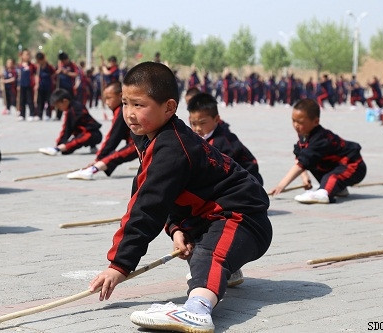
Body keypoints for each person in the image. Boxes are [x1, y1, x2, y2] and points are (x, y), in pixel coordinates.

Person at [88, 62, 272, 333]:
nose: (129, 113)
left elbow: (148, 208)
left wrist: (119, 265)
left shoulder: (172, 147)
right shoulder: (152, 137)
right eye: (126, 103)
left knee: (206, 256)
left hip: (243, 218)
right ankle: (227, 271)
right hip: (210, 217)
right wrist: (175, 229)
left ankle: (198, 310)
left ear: (169, 107)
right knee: (197, 248)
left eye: (139, 105)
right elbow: (145, 192)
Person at [269, 98, 366, 204]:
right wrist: (305, 177)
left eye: (300, 122)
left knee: (331, 176)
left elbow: (301, 164)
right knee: (313, 163)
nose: (296, 125)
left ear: (315, 121)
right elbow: (301, 157)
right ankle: (338, 188)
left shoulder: (320, 138)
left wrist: (281, 185)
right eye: (293, 120)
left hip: (353, 165)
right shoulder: (304, 134)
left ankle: (323, 193)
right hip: (335, 165)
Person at [188, 92, 264, 185]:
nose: (197, 128)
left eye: (202, 123)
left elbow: (220, 173)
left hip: (248, 184)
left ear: (216, 119)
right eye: (193, 124)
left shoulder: (223, 142)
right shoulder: (198, 137)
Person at [67, 82, 138, 180]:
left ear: (121, 96)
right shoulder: (121, 109)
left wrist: (99, 158)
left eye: (109, 98)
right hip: (136, 142)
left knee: (119, 154)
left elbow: (113, 137)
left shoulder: (122, 110)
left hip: (139, 143)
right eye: (105, 99)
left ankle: (93, 169)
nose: (107, 102)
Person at [39, 89, 102, 156]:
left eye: (58, 106)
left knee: (75, 142)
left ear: (65, 101)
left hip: (92, 134)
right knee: (66, 151)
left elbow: (67, 129)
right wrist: (61, 143)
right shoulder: (73, 107)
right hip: (84, 133)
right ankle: (92, 146)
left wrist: (59, 145)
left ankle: (56, 149)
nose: (58, 108)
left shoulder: (73, 110)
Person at [17, 49, 37, 121]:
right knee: (22, 100)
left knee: (30, 100)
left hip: (29, 85)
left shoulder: (32, 66)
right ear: (22, 56)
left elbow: (36, 74)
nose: (27, 56)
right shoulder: (19, 65)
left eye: (28, 54)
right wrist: (18, 85)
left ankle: (32, 114)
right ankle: (22, 114)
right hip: (22, 85)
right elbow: (17, 76)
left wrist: (36, 84)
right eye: (26, 54)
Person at [35, 52, 55, 120]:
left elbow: (54, 73)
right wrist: (36, 84)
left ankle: (48, 115)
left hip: (48, 86)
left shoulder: (49, 66)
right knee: (40, 101)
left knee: (48, 101)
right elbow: (36, 75)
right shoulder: (38, 67)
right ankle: (39, 115)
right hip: (41, 86)